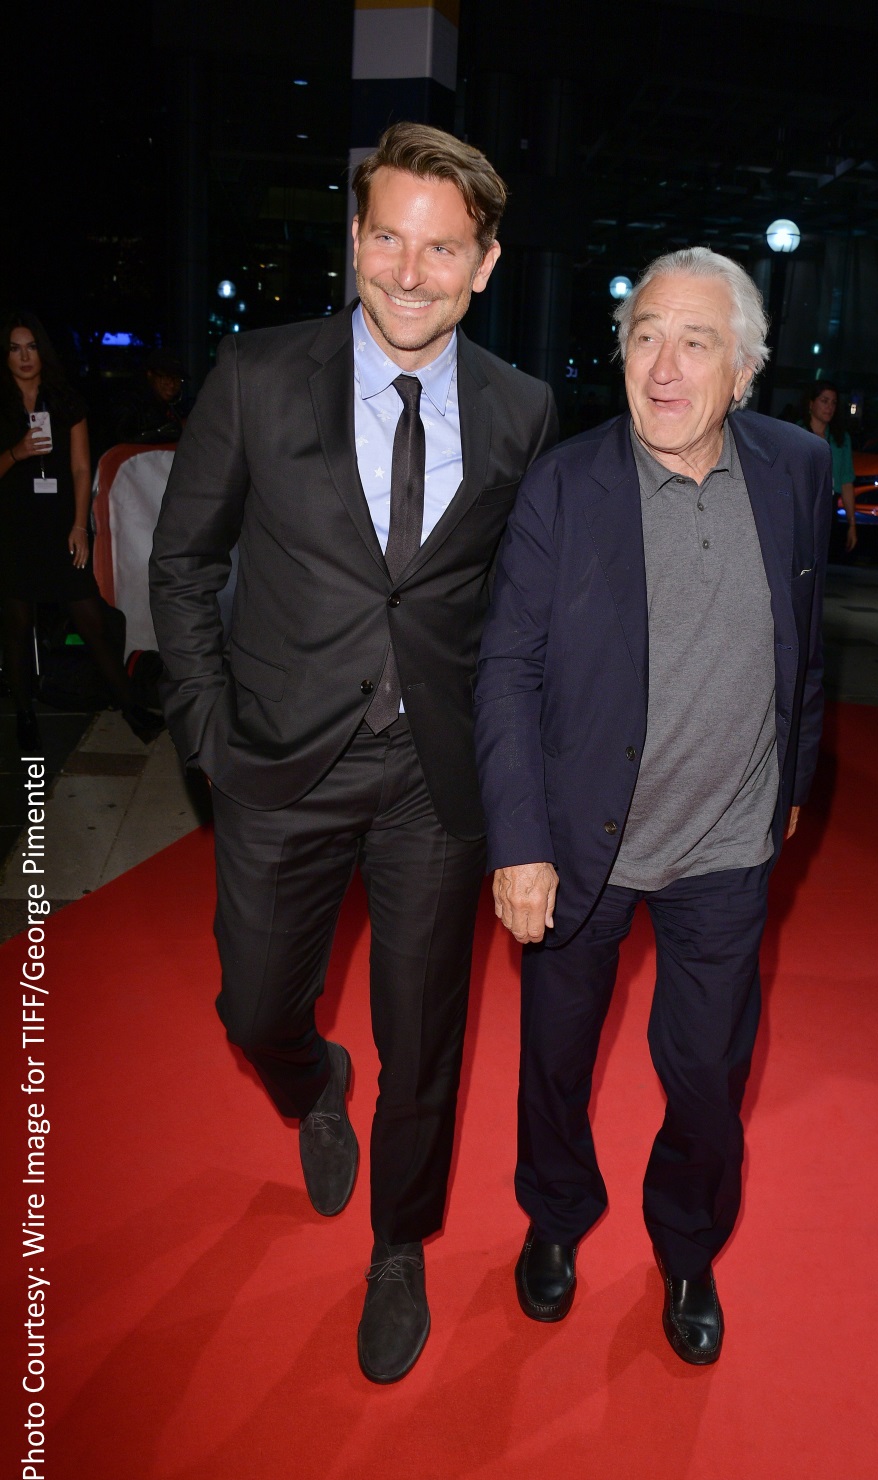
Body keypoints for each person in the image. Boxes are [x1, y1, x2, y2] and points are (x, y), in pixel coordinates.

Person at [148, 122, 558, 1384]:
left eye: (443, 248)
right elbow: (183, 563)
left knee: (424, 1043)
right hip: (279, 762)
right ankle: (310, 1076)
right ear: (355, 236)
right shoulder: (259, 374)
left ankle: (398, 1244)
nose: (411, 269)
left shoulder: (522, 409)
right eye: (389, 235)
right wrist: (210, 731)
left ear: (484, 265)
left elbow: (517, 615)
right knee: (254, 1003)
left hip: (435, 786)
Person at [474, 247, 829, 1365]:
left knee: (709, 1075)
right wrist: (521, 839)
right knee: (556, 1057)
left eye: (695, 342)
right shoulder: (565, 486)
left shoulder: (798, 470)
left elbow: (808, 650)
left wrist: (790, 788)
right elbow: (506, 671)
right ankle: (557, 1218)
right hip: (583, 844)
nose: (663, 368)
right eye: (642, 336)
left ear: (743, 372)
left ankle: (684, 1248)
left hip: (726, 847)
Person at [0, 312, 162, 752]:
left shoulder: (65, 400)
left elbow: (79, 466)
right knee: (16, 627)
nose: (24, 356)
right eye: (15, 348)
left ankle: (130, 709)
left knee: (90, 618)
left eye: (31, 346)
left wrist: (79, 525)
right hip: (12, 528)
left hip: (58, 527)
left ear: (43, 351)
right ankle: (24, 714)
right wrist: (16, 452)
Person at [802, 380, 856, 553]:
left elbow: (846, 482)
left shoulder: (841, 439)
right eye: (824, 401)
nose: (829, 407)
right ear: (811, 403)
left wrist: (852, 524)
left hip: (828, 506)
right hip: (802, 505)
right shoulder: (796, 432)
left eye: (833, 402)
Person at [113, 351, 188, 445]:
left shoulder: (177, 407)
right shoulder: (131, 404)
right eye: (165, 377)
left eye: (177, 379)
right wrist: (170, 430)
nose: (172, 384)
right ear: (150, 374)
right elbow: (124, 440)